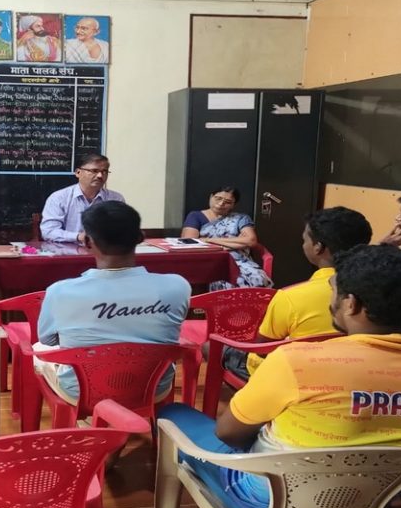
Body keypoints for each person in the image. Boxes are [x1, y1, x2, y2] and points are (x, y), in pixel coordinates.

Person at [158, 245, 401, 508]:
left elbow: (228, 434)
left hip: (269, 503)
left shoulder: (297, 361)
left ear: (351, 304)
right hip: (375, 500)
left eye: (333, 292)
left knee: (174, 414)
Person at [34, 201, 191, 399]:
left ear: (87, 242)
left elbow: (47, 340)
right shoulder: (178, 286)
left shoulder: (59, 291)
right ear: (140, 237)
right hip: (154, 389)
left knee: (37, 349)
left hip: (81, 392)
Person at [226, 206, 373, 379]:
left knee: (216, 348)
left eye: (305, 240)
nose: (303, 245)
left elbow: (262, 350)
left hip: (298, 375)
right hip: (360, 372)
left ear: (318, 247)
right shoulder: (382, 287)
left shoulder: (290, 296)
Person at [181, 186, 271, 289]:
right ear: (211, 197)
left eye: (227, 202)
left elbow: (251, 241)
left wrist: (208, 240)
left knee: (258, 278)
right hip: (211, 260)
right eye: (218, 198)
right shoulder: (195, 216)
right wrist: (236, 243)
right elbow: (191, 243)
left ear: (233, 205)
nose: (221, 204)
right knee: (229, 281)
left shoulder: (240, 218)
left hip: (240, 261)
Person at [40, 154, 124, 243]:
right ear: (78, 173)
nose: (100, 175)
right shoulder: (59, 198)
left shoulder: (115, 199)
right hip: (68, 249)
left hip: (104, 249)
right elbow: (48, 232)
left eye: (104, 171)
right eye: (94, 171)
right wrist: (78, 237)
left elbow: (122, 230)